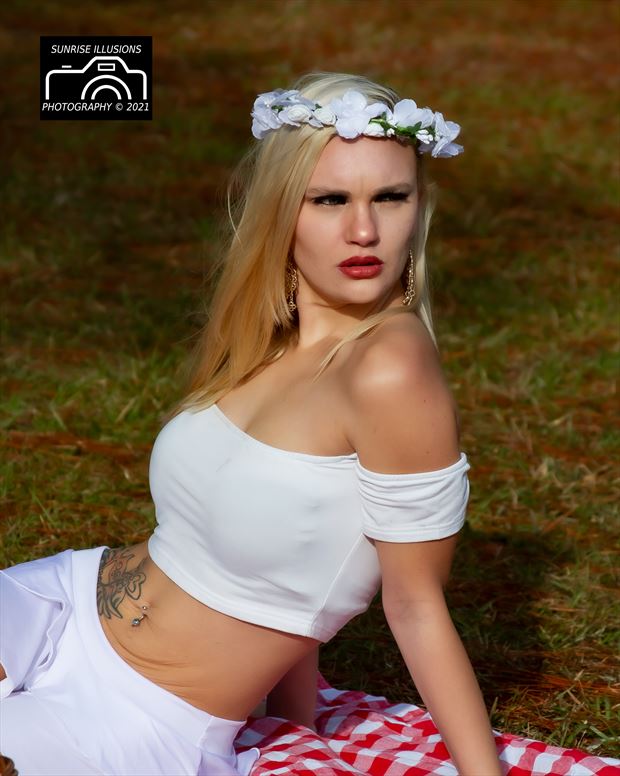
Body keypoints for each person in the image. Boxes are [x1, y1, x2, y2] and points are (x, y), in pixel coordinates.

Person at [0, 72, 503, 775]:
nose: (364, 231)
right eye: (330, 200)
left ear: (420, 205)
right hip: (60, 599)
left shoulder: (389, 367)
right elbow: (292, 538)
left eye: (391, 197)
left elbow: (416, 605)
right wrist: (294, 723)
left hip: (146, 714)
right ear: (279, 211)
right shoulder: (269, 338)